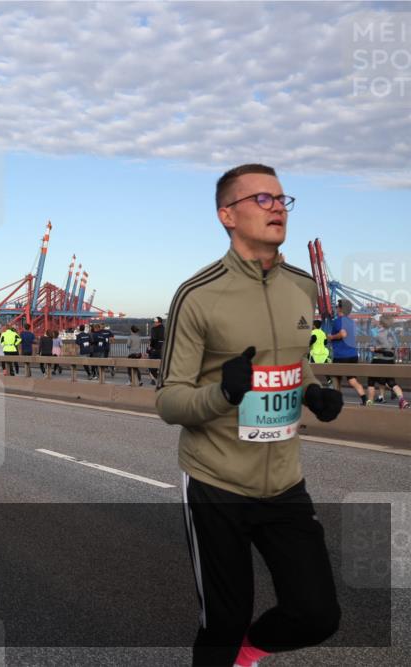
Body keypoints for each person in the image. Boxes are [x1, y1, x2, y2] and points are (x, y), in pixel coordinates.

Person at [156, 163, 343, 667]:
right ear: (227, 216)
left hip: (285, 482)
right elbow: (168, 400)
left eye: (282, 198)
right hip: (217, 482)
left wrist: (313, 391)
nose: (278, 206)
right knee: (222, 621)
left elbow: (296, 362)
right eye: (262, 199)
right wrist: (223, 392)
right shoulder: (197, 295)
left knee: (317, 613)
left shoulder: (301, 287)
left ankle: (248, 653)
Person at [327, 299, 368, 405]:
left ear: (340, 308)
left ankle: (338, 401)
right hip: (353, 355)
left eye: (337, 307)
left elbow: (343, 334)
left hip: (341, 355)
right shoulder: (352, 322)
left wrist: (332, 337)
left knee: (336, 379)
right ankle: (364, 399)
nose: (336, 309)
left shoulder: (338, 321)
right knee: (352, 379)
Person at [367, 314, 409, 409]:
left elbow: (384, 346)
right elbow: (395, 346)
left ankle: (369, 403)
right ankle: (402, 400)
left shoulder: (378, 333)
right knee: (391, 382)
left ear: (381, 322)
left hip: (378, 360)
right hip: (390, 360)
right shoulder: (391, 332)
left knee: (371, 382)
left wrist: (375, 349)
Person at [148, 316, 165, 384]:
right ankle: (162, 379)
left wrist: (150, 348)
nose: (154, 323)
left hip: (155, 349)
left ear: (158, 322)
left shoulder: (154, 329)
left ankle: (154, 379)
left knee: (151, 364)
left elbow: (153, 339)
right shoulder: (165, 329)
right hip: (163, 349)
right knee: (162, 365)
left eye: (155, 322)